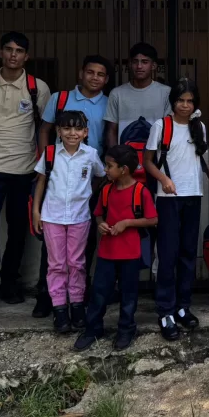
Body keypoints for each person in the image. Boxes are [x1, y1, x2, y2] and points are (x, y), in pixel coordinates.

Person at [0, 32, 51, 312]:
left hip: (25, 168)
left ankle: (9, 282)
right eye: (8, 49)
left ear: (27, 56)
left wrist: (42, 168)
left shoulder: (37, 87)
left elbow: (46, 127)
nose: (13, 55)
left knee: (19, 229)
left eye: (19, 51)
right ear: (1, 52)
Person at [34, 54, 112, 318]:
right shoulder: (60, 98)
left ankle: (78, 302)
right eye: (90, 72)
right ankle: (52, 301)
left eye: (100, 74)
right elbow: (45, 128)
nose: (94, 78)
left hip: (86, 182)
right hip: (55, 196)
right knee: (54, 255)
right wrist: (46, 157)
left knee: (80, 254)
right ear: (81, 73)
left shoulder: (109, 103)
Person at [144, 78, 209, 340]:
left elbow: (198, 157)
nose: (185, 105)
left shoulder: (199, 126)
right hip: (168, 198)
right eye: (180, 100)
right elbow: (148, 162)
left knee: (188, 252)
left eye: (190, 101)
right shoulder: (161, 126)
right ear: (172, 102)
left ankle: (182, 307)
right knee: (168, 254)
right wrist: (163, 179)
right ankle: (165, 310)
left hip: (193, 194)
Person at [74, 145, 158, 352]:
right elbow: (99, 214)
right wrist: (101, 223)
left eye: (110, 166)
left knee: (128, 294)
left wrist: (127, 223)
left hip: (130, 253)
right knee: (99, 292)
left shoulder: (141, 192)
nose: (105, 169)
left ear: (124, 169)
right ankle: (93, 329)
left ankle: (126, 329)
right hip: (107, 252)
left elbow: (153, 219)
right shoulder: (106, 190)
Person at [32, 111, 107, 334]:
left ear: (85, 132)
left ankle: (77, 306)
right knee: (56, 264)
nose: (72, 133)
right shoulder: (50, 153)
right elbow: (41, 183)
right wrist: (36, 212)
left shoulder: (91, 154)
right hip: (52, 216)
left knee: (76, 263)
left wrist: (87, 195)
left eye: (77, 129)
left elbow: (101, 176)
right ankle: (59, 308)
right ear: (58, 131)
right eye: (66, 128)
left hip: (79, 216)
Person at [104, 42, 172, 150]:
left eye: (145, 62)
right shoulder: (117, 94)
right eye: (135, 62)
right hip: (125, 160)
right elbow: (111, 130)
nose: (139, 66)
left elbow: (170, 128)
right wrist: (117, 157)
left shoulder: (166, 93)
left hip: (156, 158)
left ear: (153, 65)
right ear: (130, 64)